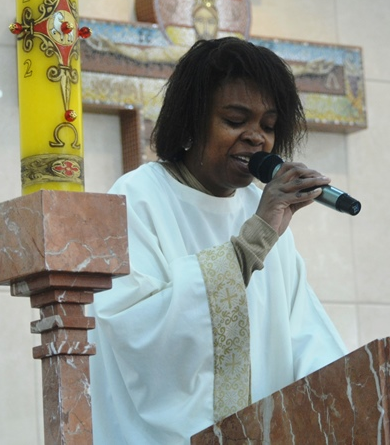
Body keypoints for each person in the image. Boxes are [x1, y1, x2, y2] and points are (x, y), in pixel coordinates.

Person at [90, 37, 348, 443]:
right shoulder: (137, 198)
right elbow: (136, 336)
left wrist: (352, 395)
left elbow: (306, 337)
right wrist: (248, 247)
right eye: (235, 120)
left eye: (268, 126)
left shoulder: (262, 210)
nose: (257, 138)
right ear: (192, 121)